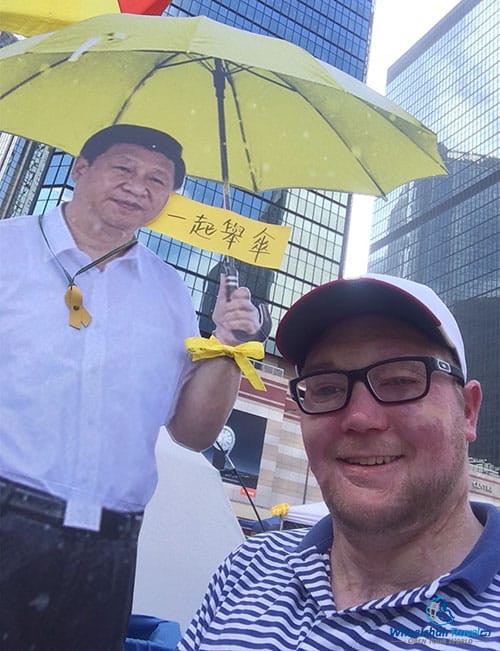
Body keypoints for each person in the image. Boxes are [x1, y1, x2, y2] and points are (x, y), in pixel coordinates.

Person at [0, 124, 264, 651]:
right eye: (123, 167)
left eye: (157, 179)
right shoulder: (8, 249)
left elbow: (192, 432)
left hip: (111, 546)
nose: (138, 186)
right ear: (80, 168)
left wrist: (228, 344)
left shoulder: (170, 290)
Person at [177, 273, 500, 650]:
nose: (360, 418)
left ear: (468, 411)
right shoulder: (246, 568)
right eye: (327, 388)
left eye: (399, 381)